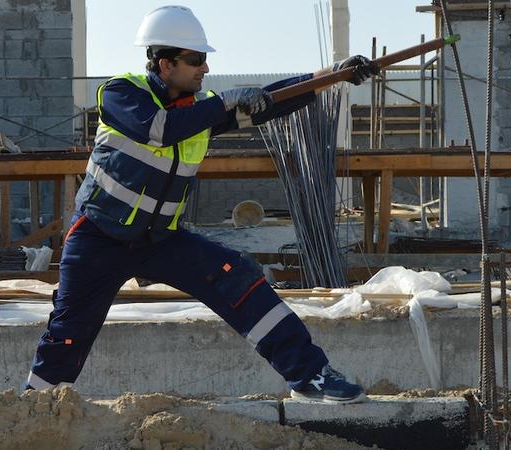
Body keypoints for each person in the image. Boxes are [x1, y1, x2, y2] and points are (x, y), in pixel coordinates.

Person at [25, 5, 379, 404]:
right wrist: (223, 103)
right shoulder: (121, 93)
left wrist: (332, 76)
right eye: (195, 60)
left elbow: (271, 101)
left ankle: (310, 376)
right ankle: (35, 408)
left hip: (159, 240)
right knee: (69, 332)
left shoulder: (200, 109)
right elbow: (158, 130)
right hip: (98, 237)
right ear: (165, 64)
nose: (205, 68)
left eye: (204, 60)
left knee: (239, 278)